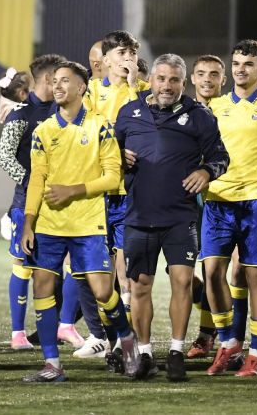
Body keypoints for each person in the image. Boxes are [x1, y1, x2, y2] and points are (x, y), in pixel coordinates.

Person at [20, 61, 139, 381]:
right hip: (48, 225)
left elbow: (113, 177)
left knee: (103, 292)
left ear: (81, 88)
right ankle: (52, 365)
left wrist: (73, 190)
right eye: (54, 81)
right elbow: (36, 180)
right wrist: (29, 221)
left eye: (64, 81)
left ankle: (127, 340)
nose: (57, 86)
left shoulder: (100, 127)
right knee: (42, 287)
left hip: (88, 224)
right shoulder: (44, 130)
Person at [115, 53, 229, 381]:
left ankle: (177, 351)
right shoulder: (129, 112)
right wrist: (117, 156)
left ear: (183, 83)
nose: (167, 86)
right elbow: (106, 154)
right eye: (161, 79)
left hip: (181, 216)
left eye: (174, 80)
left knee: (182, 282)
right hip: (138, 215)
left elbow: (221, 156)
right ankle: (146, 354)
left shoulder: (199, 116)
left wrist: (207, 171)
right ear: (150, 80)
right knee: (140, 287)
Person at [202, 39, 257, 378]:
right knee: (212, 273)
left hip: (256, 200)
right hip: (217, 200)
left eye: (249, 64)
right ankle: (227, 343)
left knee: (255, 275)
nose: (241, 69)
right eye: (237, 63)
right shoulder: (215, 106)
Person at [84, 30, 150, 334]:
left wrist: (135, 86)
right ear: (106, 59)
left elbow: (149, 129)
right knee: (100, 264)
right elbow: (83, 136)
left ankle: (130, 332)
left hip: (134, 188)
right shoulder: (91, 91)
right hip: (99, 189)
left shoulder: (146, 89)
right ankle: (103, 334)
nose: (128, 59)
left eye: (132, 54)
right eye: (122, 54)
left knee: (130, 264)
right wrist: (115, 151)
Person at [0, 56, 63, 350]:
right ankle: (18, 334)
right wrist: (31, 182)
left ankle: (65, 327)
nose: (62, 83)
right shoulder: (21, 114)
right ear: (48, 79)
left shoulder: (66, 111)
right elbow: (5, 156)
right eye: (58, 78)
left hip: (63, 199)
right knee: (23, 264)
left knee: (66, 266)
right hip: (28, 201)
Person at [185, 54, 227, 359]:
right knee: (184, 275)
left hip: (225, 201)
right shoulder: (180, 111)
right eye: (201, 74)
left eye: (214, 74)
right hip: (186, 201)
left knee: (219, 271)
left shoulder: (229, 111)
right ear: (192, 79)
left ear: (222, 80)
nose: (207, 79)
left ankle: (209, 334)